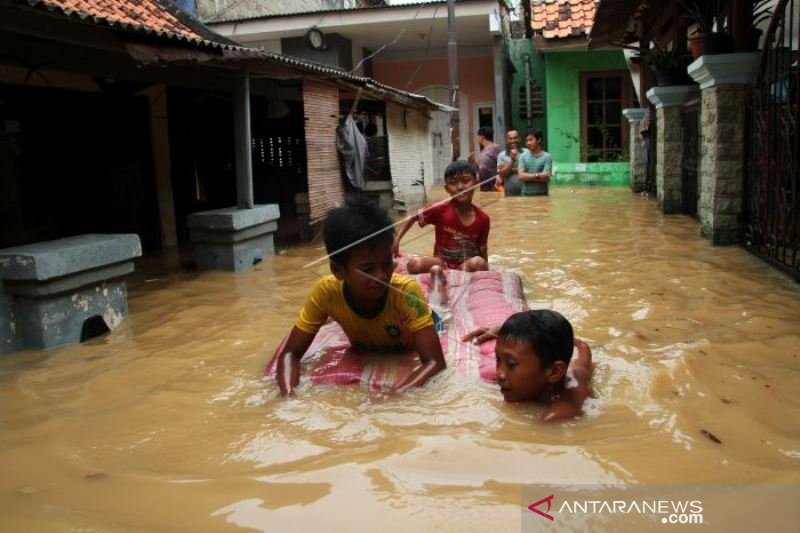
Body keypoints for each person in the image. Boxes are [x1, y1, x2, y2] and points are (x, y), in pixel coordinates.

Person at [275, 200, 446, 396]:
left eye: (387, 264)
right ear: (338, 270)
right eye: (368, 269)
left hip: (429, 321)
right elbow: (290, 354)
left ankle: (437, 277)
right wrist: (288, 396)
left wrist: (394, 396)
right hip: (378, 330)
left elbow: (435, 362)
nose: (381, 276)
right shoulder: (325, 292)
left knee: (437, 303)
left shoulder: (407, 292)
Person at [462, 309, 592, 422]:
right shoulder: (560, 374)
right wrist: (515, 334)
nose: (499, 374)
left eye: (511, 364)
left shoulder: (559, 414)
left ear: (554, 372)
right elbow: (582, 346)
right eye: (498, 359)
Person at [392, 160, 490, 304]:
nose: (460, 187)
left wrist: (486, 268)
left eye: (466, 181)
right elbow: (412, 217)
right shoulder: (440, 209)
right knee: (414, 264)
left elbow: (483, 248)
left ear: (476, 182)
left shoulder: (483, 219)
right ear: (446, 188)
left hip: (466, 265)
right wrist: (396, 240)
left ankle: (450, 278)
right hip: (442, 262)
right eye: (453, 183)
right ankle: (438, 275)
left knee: (479, 262)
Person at [517, 128, 553, 196]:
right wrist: (538, 175)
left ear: (539, 140)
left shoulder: (547, 157)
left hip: (542, 195)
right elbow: (521, 176)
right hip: (525, 194)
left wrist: (527, 176)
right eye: (526, 140)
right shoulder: (522, 156)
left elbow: (545, 178)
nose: (528, 143)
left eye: (530, 140)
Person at [468, 126, 502, 191]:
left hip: (494, 186)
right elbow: (479, 168)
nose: (477, 139)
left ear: (481, 137)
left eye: (478, 137)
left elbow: (501, 165)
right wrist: (472, 161)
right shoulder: (482, 151)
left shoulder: (495, 148)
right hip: (484, 185)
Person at [496, 129, 529, 196]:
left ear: (519, 139)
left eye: (515, 138)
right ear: (506, 140)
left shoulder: (527, 152)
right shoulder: (501, 155)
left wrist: (509, 169)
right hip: (509, 194)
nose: (513, 140)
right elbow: (502, 175)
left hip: (527, 192)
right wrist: (512, 160)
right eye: (510, 138)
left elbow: (531, 170)